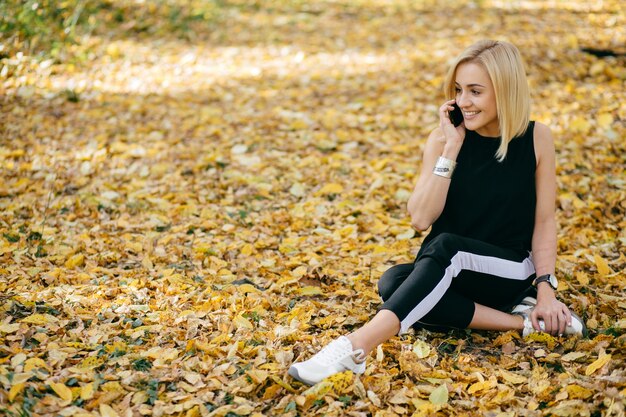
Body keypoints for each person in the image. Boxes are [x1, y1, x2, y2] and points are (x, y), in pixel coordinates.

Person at [288, 39, 586, 386]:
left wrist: (546, 289)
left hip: (509, 266)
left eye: (475, 91)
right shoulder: (443, 140)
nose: (463, 102)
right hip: (454, 266)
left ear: (505, 91)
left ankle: (356, 348)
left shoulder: (536, 138)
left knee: (446, 250)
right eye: (458, 90)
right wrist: (452, 147)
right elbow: (420, 218)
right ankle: (523, 323)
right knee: (393, 283)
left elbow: (544, 221)